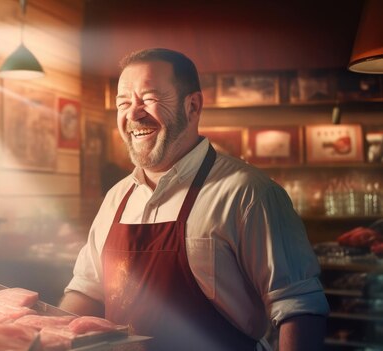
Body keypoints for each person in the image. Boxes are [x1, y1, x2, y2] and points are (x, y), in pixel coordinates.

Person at [59, 48, 329, 350]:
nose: (133, 113)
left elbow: (299, 307)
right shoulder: (116, 197)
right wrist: (53, 337)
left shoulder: (248, 193)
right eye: (124, 103)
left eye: (149, 98)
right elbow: (86, 291)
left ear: (193, 106)